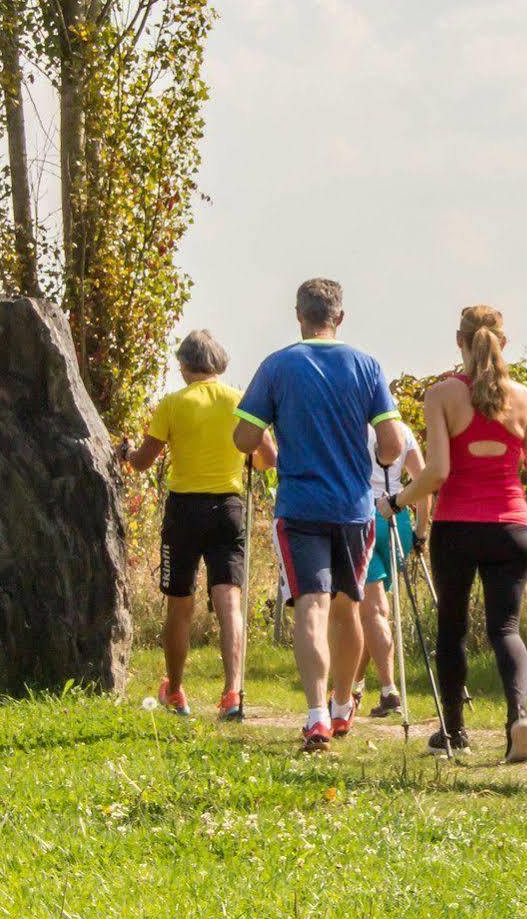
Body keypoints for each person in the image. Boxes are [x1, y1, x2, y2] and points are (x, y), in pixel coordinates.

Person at [233, 279, 408, 754]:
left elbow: (244, 439)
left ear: (298, 315)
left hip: (300, 506)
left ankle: (315, 717)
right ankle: (342, 704)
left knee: (311, 605)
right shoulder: (367, 366)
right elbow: (391, 443)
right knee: (349, 606)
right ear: (340, 317)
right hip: (353, 507)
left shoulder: (277, 365)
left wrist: (270, 438)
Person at [383, 305, 527, 762]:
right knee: (506, 627)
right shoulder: (525, 397)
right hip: (511, 527)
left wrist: (397, 502)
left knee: (452, 629)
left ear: (459, 341)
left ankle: (454, 732)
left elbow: (438, 471)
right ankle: (518, 715)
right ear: (504, 344)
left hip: (457, 528)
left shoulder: (441, 395)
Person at [117, 330, 274, 722]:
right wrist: (246, 460)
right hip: (228, 507)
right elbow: (267, 458)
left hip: (184, 510)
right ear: (219, 364)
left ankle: (175, 690)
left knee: (180, 603)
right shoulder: (239, 400)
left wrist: (125, 455)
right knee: (230, 601)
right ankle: (232, 694)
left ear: (184, 366)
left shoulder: (172, 404)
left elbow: (143, 461)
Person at [356, 418, 426, 719]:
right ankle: (353, 686)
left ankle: (389, 689)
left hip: (363, 517)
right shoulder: (403, 431)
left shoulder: (353, 427)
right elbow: (424, 482)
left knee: (374, 612)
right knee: (377, 614)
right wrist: (423, 530)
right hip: (398, 520)